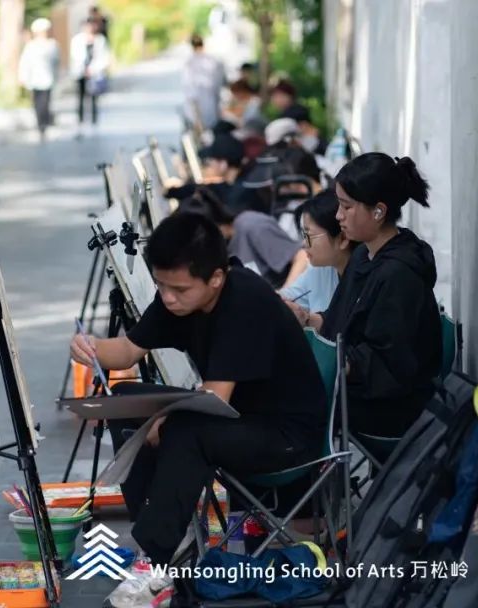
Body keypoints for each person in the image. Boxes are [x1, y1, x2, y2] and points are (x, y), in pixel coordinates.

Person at [68, 212, 326, 583]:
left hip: (287, 436)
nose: (168, 298)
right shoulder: (182, 296)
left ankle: (157, 556)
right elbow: (127, 350)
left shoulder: (244, 301)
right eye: (161, 285)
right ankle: (159, 527)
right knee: (125, 399)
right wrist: (89, 347)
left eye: (179, 289)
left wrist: (163, 421)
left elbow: (214, 400)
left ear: (216, 278)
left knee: (186, 429)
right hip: (238, 418)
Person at [320, 153, 442, 449]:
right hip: (356, 388)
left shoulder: (400, 274)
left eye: (347, 206)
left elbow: (390, 362)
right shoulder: (364, 255)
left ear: (378, 211)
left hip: (393, 408)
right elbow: (344, 320)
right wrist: (308, 320)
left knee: (291, 402)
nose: (338, 216)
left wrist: (328, 363)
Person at [179, 187, 309, 289]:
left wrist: (285, 295)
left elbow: (302, 257)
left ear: (216, 226)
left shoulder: (252, 225)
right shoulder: (218, 250)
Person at [279, 190, 354, 319]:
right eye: (303, 236)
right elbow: (289, 295)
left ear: (342, 238)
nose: (304, 243)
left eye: (308, 236)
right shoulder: (319, 269)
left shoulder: (368, 278)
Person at [18, 18, 60, 141]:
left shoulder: (52, 45)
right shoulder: (31, 46)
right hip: (35, 79)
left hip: (48, 78)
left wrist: (56, 76)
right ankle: (40, 124)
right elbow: (25, 63)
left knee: (45, 102)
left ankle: (44, 124)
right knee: (37, 103)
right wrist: (23, 77)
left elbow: (56, 62)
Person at [70, 17, 111, 131]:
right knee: (81, 96)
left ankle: (94, 119)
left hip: (94, 72)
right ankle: (81, 118)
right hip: (80, 71)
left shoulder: (100, 40)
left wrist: (93, 69)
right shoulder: (77, 40)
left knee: (94, 96)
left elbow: (104, 57)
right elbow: (75, 56)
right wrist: (84, 68)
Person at [182, 34, 226, 132]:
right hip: (212, 103)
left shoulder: (189, 63)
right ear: (203, 44)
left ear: (192, 46)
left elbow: (189, 89)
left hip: (196, 105)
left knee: (200, 132)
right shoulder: (214, 60)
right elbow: (220, 83)